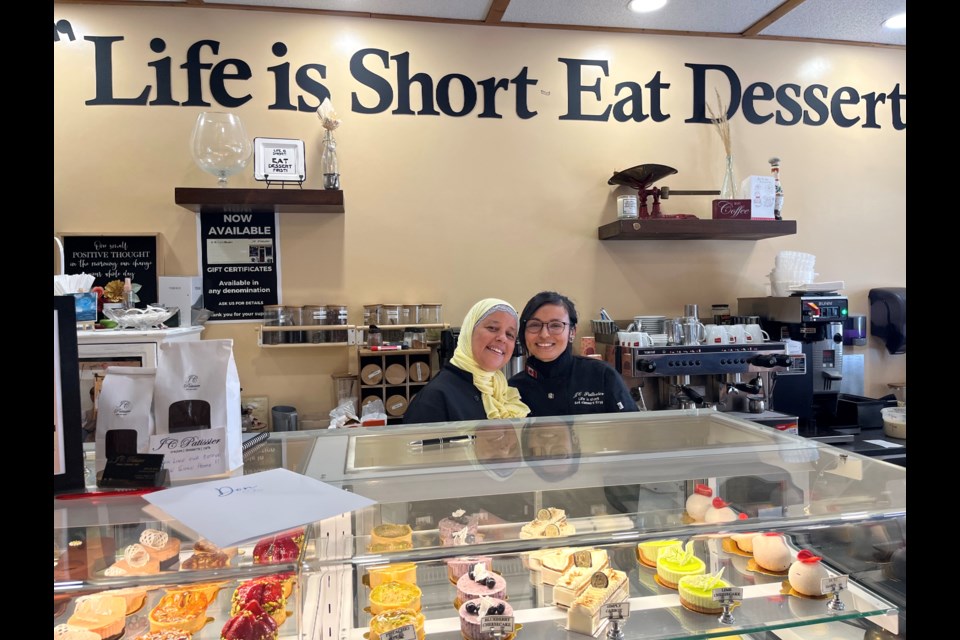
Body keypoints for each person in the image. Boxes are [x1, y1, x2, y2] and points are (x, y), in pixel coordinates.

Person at [509, 291, 638, 416]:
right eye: (534, 325)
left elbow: (632, 430)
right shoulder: (512, 389)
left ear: (572, 332)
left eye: (555, 325)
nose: (544, 334)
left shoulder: (602, 375)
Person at [404, 298, 531, 424]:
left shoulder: (502, 390)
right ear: (469, 331)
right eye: (492, 328)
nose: (502, 338)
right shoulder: (434, 398)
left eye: (510, 334)